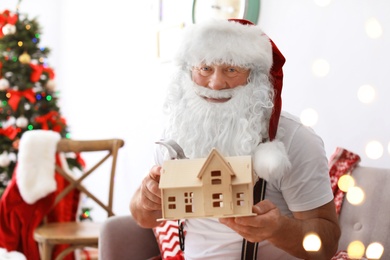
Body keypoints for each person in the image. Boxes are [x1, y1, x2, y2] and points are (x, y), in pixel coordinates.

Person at [130, 18, 340, 259]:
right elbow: (143, 218)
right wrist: (146, 199)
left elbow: (327, 244)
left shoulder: (294, 140)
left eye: (231, 69)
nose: (216, 84)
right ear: (189, 71)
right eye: (205, 68)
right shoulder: (177, 134)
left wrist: (278, 229)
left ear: (256, 76)